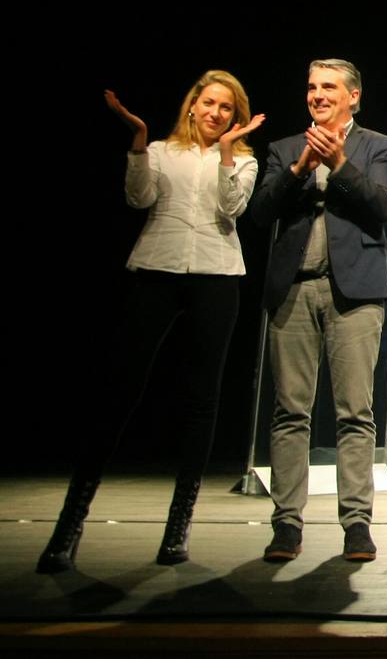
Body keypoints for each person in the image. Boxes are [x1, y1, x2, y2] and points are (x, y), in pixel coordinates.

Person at [38, 72, 263, 573]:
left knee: (201, 400)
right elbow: (138, 199)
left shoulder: (244, 159)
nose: (215, 113)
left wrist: (227, 153)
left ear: (236, 116)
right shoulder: (162, 151)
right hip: (155, 271)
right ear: (192, 106)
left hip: (216, 275)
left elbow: (232, 209)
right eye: (208, 103)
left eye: (226, 108)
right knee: (119, 390)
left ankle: (177, 528)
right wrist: (139, 142)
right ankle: (68, 527)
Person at [253, 58, 387, 563]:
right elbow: (260, 212)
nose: (317, 95)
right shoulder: (284, 149)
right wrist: (300, 168)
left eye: (328, 87)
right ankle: (286, 524)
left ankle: (356, 524)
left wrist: (338, 163)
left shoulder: (377, 146)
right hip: (294, 289)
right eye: (311, 86)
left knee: (355, 414)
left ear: (353, 96)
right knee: (289, 411)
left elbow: (383, 207)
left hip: (355, 295)